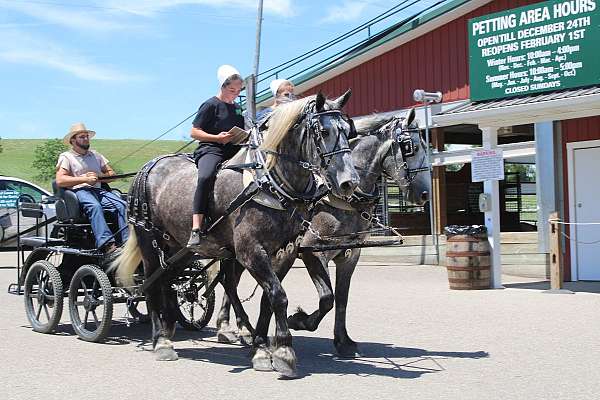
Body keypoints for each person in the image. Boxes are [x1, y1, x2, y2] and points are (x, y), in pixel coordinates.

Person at [187, 65, 245, 247]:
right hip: (211, 148)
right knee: (205, 177)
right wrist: (216, 138)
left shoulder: (237, 108)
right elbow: (194, 132)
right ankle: (196, 227)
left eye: (238, 90)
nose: (235, 94)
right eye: (231, 90)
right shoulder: (210, 104)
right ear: (222, 86)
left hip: (234, 148)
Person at [55, 123, 128, 253]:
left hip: (99, 190)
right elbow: (60, 180)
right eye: (82, 137)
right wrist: (84, 179)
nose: (86, 139)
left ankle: (126, 242)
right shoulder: (67, 157)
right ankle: (106, 244)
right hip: (79, 190)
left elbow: (112, 175)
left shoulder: (96, 155)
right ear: (73, 140)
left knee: (122, 205)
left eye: (87, 136)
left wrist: (99, 176)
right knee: (95, 206)